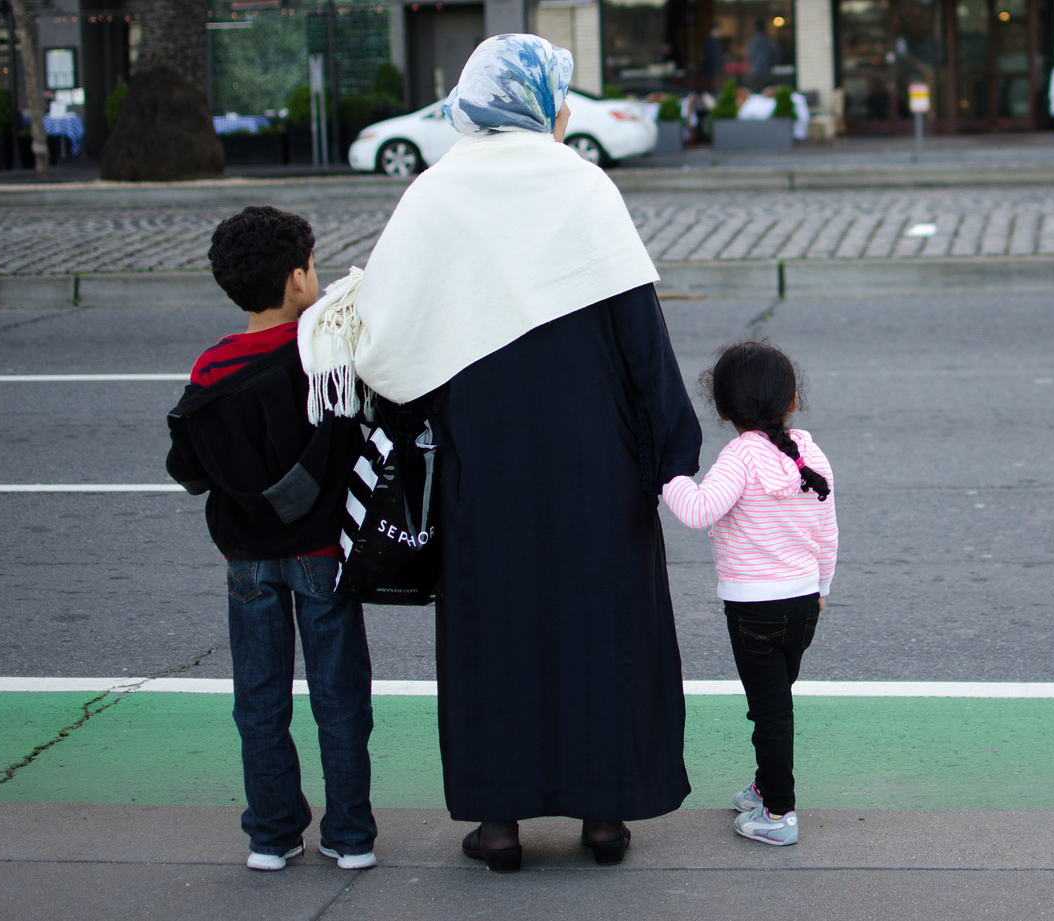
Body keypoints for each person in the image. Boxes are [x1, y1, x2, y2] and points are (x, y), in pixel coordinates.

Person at [297, 34, 701, 872]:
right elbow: (640, 335)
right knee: (604, 630)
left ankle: (500, 824)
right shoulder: (583, 186)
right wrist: (669, 450)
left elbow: (389, 343)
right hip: (598, 462)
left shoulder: (436, 194)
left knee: (495, 636)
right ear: (542, 101)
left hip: (483, 463)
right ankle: (603, 817)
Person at [166, 206, 377, 872]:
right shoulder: (325, 360)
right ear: (296, 280)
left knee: (259, 697)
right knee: (340, 696)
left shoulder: (210, 370)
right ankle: (349, 835)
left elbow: (188, 468)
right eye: (313, 265)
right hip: (322, 553)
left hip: (247, 560)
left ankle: (272, 833)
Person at [661, 340, 837, 847]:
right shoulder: (810, 450)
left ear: (721, 409)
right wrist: (822, 585)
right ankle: (765, 786)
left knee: (770, 710)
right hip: (805, 604)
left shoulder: (739, 456)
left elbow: (698, 511)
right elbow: (827, 530)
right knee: (775, 703)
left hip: (753, 608)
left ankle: (779, 813)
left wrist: (666, 476)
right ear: (792, 399)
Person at [746, 20, 780, 93]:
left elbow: (749, 55)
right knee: (767, 93)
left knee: (756, 93)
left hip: (755, 71)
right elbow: (777, 54)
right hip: (766, 70)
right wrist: (773, 63)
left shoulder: (753, 41)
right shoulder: (768, 40)